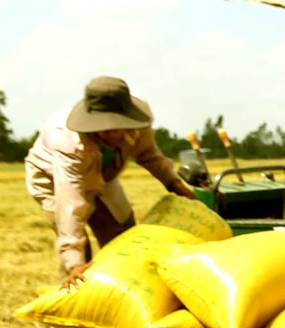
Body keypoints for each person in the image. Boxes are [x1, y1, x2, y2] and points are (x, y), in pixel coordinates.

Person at [24, 76, 197, 283]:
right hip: (53, 181)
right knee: (79, 252)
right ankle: (74, 294)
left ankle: (127, 287)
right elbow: (72, 203)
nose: (113, 133)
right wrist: (74, 263)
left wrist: (175, 185)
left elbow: (149, 155)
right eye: (105, 129)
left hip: (104, 174)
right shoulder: (67, 139)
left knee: (123, 235)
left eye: (119, 126)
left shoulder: (137, 122)